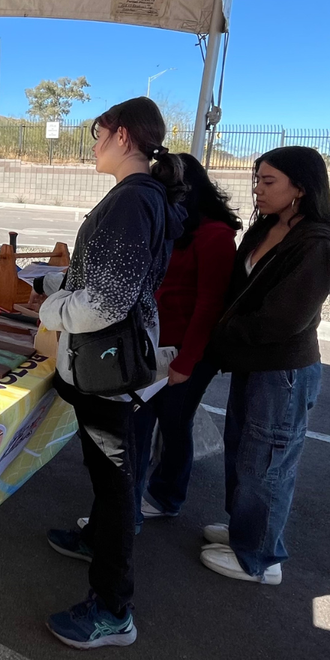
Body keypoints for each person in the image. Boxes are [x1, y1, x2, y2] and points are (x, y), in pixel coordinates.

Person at [35, 97, 186, 649]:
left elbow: (105, 301)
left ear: (123, 136)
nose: (93, 142)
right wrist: (51, 284)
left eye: (98, 132)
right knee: (107, 477)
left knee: (117, 485)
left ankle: (112, 610)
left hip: (109, 370)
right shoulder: (143, 197)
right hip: (111, 365)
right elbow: (101, 279)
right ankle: (95, 538)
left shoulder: (131, 201)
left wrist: (48, 309)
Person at [199, 145, 330, 584]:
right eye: (257, 180)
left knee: (268, 463)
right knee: (246, 454)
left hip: (283, 371)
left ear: (300, 188)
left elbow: (284, 319)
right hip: (251, 363)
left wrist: (220, 332)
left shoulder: (317, 241)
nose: (257, 190)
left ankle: (260, 558)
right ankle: (246, 532)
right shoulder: (266, 226)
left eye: (269, 182)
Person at [131, 153, 242, 529]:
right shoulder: (168, 225)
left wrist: (186, 361)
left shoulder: (215, 235)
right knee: (140, 421)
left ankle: (166, 496)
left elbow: (211, 304)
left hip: (186, 351)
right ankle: (129, 498)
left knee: (175, 423)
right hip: (153, 343)